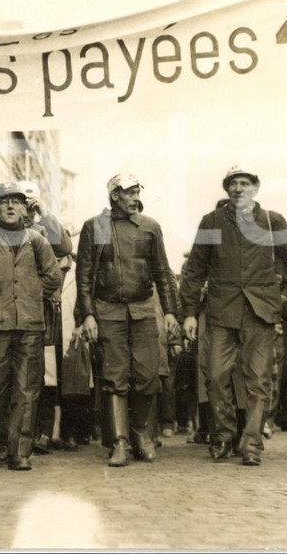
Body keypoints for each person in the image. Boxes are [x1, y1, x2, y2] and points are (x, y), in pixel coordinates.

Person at [180, 165, 287, 466]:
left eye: (245, 183)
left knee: (259, 380)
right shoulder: (212, 222)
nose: (239, 189)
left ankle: (252, 443)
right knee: (216, 375)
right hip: (222, 311)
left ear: (255, 188)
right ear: (226, 188)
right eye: (233, 183)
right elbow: (195, 269)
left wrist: (283, 297)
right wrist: (190, 313)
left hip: (261, 312)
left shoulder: (273, 222)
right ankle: (223, 437)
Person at [76, 173, 181, 466]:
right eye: (129, 192)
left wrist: (171, 311)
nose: (135, 197)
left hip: (144, 309)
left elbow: (163, 272)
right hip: (108, 311)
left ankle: (141, 435)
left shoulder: (150, 227)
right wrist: (87, 315)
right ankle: (120, 442)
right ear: (114, 197)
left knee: (148, 376)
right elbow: (83, 276)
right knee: (115, 376)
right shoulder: (95, 226)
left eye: (137, 191)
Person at [0, 181, 62, 471]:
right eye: (4, 202)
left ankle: (20, 450)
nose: (10, 206)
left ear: (24, 207)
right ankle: (3, 437)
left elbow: (53, 276)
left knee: (27, 390)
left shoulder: (37, 239)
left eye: (16, 202)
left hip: (30, 325)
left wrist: (29, 292)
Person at [18, 180, 75, 455]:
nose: (26, 210)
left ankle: (42, 432)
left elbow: (64, 246)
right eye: (22, 203)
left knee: (45, 371)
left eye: (31, 204)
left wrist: (45, 213)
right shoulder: (4, 231)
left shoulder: (43, 229)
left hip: (42, 309)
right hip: (16, 307)